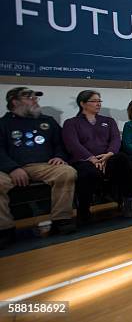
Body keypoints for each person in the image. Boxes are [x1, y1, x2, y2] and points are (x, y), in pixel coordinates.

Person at [1, 87, 76, 248]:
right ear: (14, 102)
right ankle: (4, 229)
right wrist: (12, 168)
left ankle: (61, 219)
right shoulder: (4, 123)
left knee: (67, 172)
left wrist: (60, 156)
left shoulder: (48, 121)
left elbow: (61, 144)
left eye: (36, 97)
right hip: (11, 168)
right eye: (29, 97)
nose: (35, 100)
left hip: (43, 165)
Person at [63, 90, 132, 220]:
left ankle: (129, 201)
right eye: (94, 101)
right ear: (83, 104)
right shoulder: (71, 123)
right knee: (88, 172)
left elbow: (115, 139)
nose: (98, 104)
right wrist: (91, 158)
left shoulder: (108, 121)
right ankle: (84, 210)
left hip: (108, 158)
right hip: (85, 160)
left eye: (99, 101)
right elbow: (73, 144)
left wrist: (109, 154)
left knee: (123, 159)